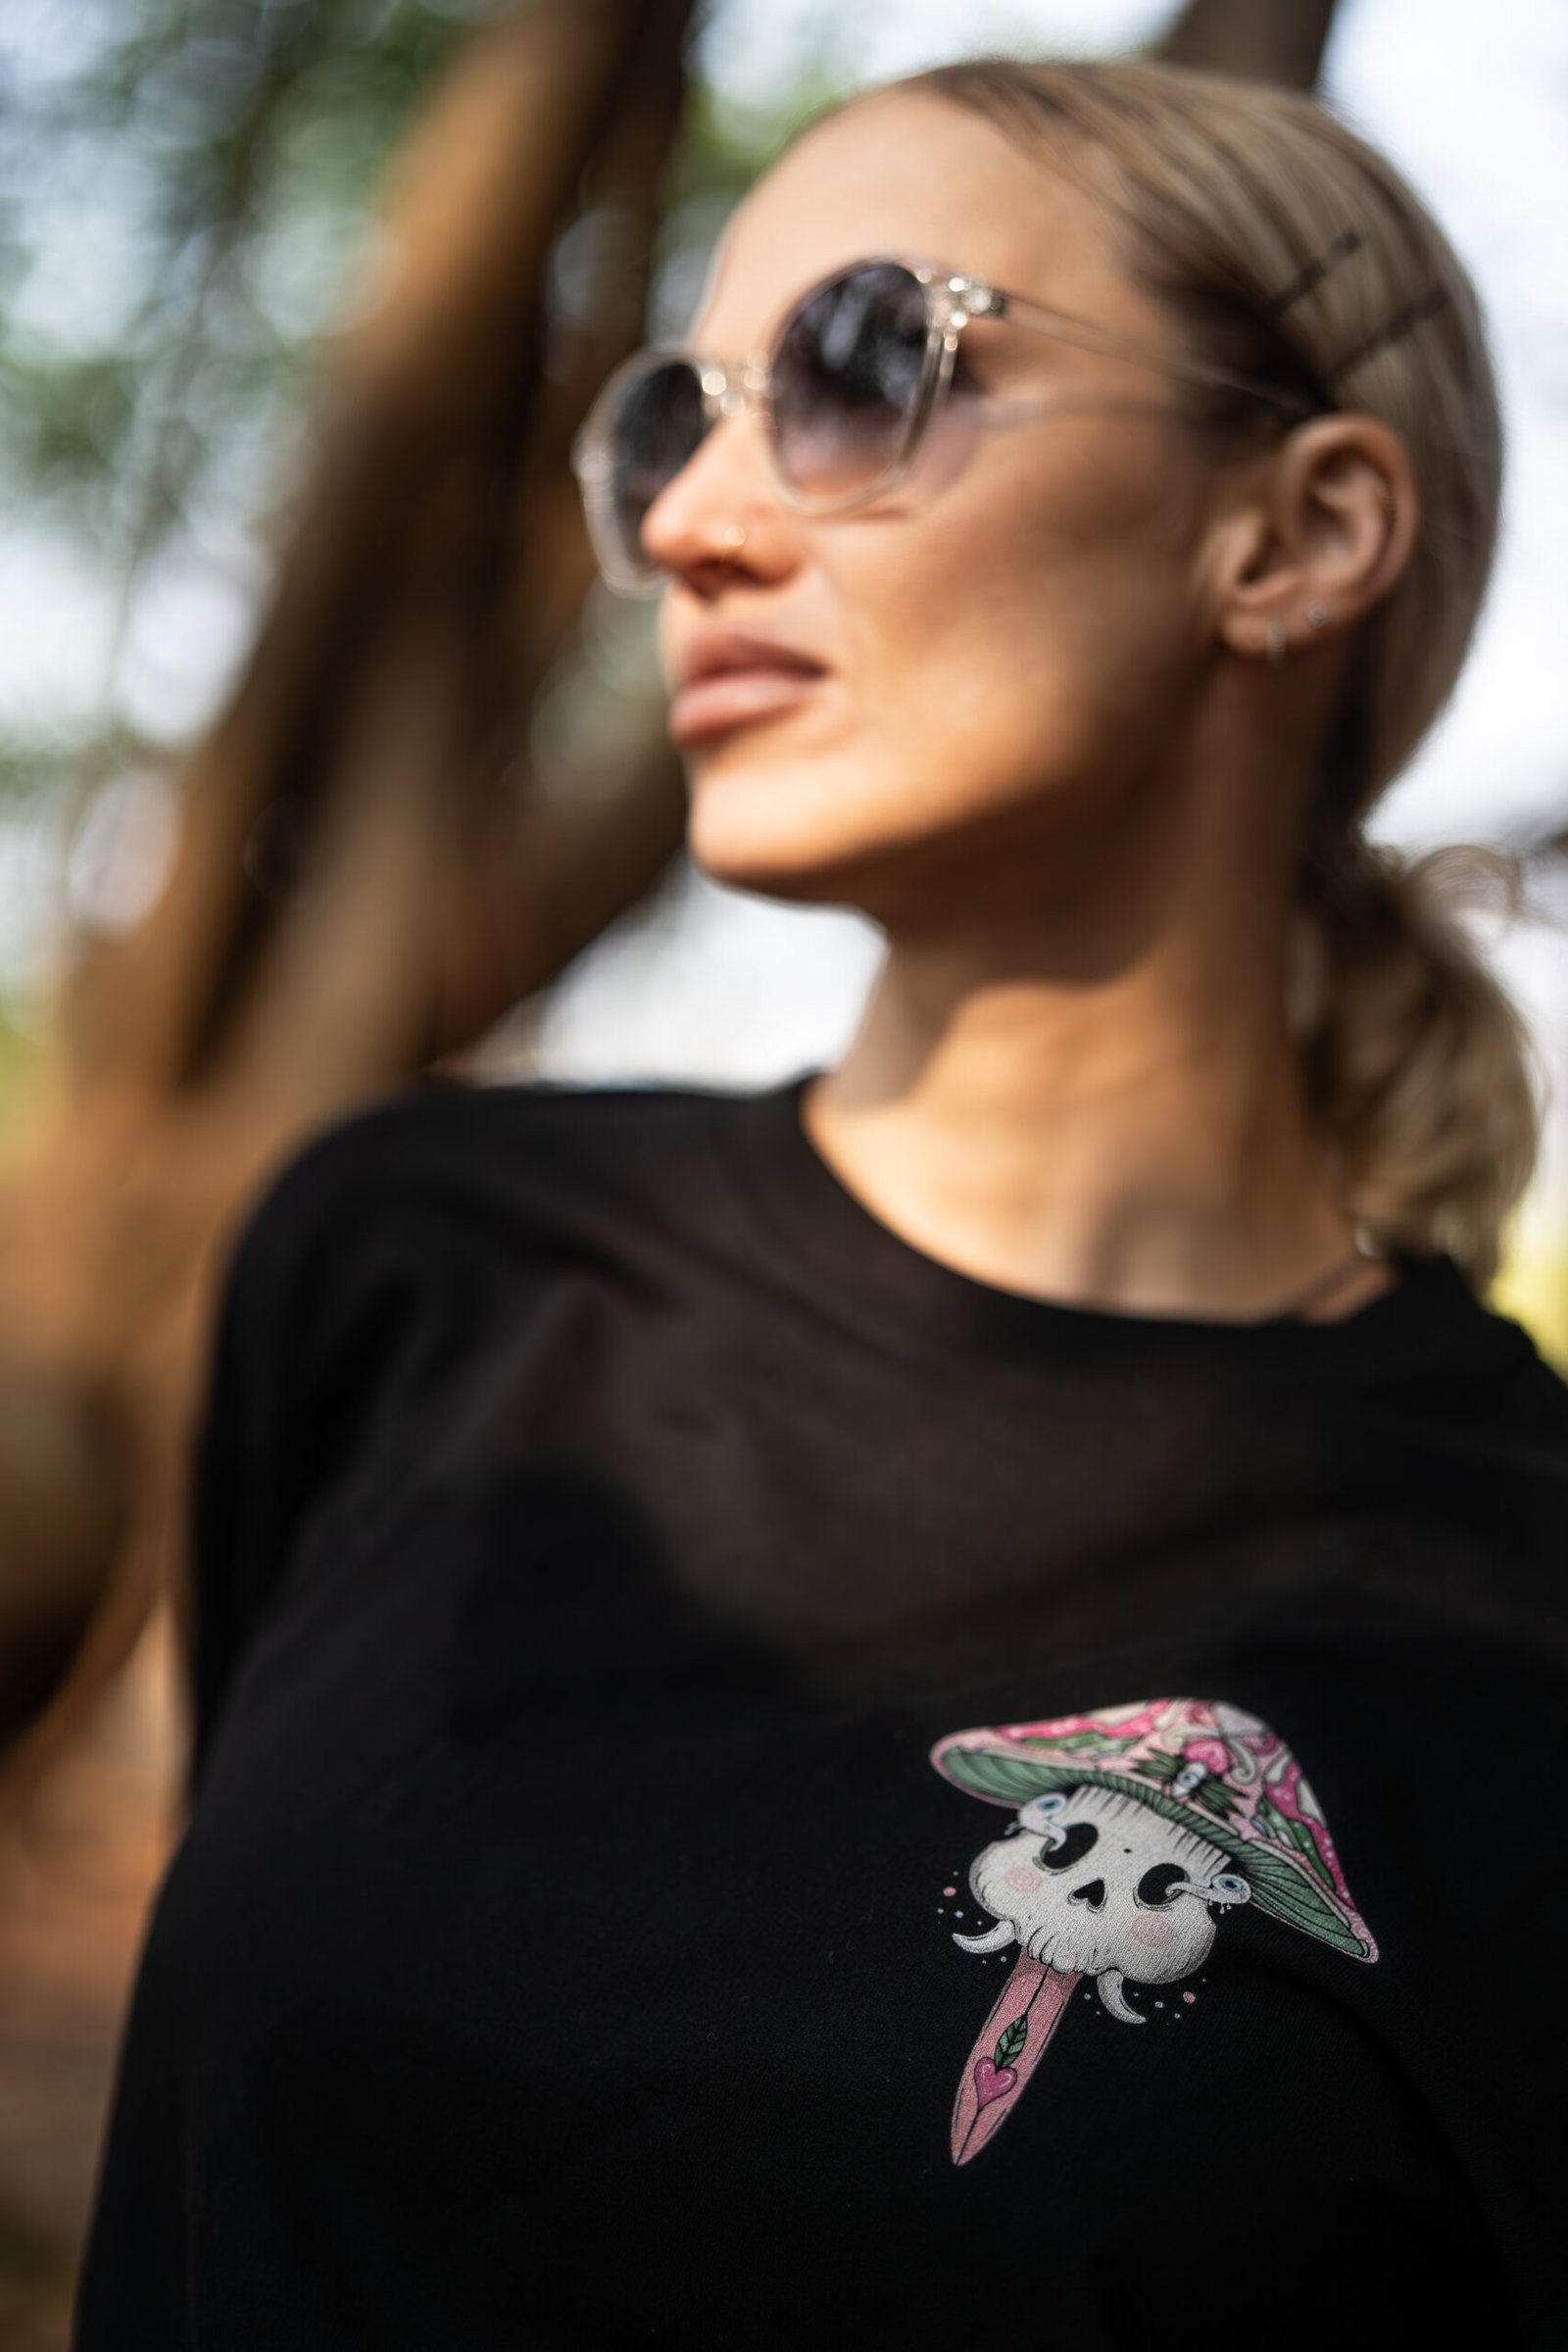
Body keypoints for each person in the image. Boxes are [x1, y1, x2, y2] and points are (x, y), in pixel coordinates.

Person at [74, 52, 1567, 2352]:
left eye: (869, 366)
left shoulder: (1513, 1611)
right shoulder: (415, 1262)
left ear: (1290, 535)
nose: (692, 522)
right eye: (670, 427)